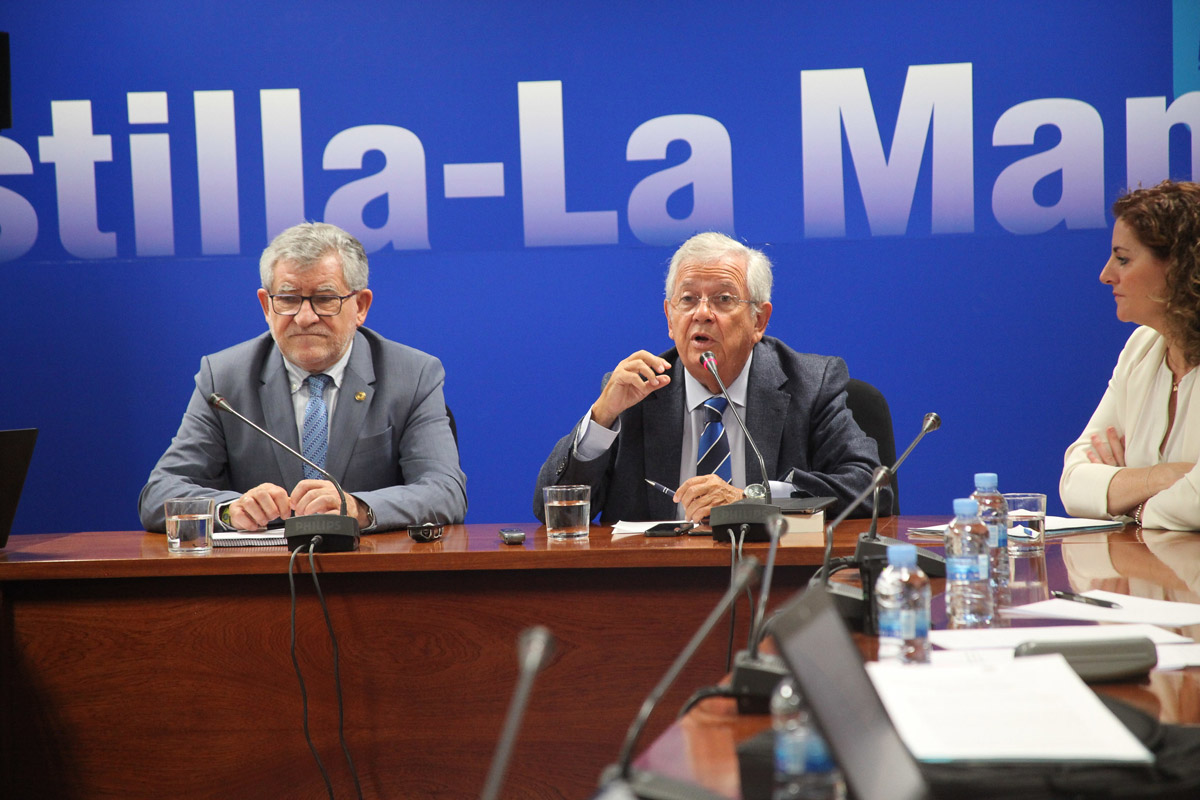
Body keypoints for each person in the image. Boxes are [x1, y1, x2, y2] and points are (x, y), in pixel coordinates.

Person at [532, 231, 886, 524]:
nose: (702, 313)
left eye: (723, 299)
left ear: (758, 322)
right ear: (670, 319)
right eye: (688, 299)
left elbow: (872, 488)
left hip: (775, 584)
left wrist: (756, 499)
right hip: (653, 592)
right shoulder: (637, 393)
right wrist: (602, 418)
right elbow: (553, 514)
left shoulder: (810, 383)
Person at [139, 222, 467, 532]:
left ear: (361, 306)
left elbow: (445, 492)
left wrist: (359, 508)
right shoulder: (224, 379)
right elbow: (159, 495)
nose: (305, 317)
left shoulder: (412, 376)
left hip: (371, 575)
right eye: (288, 299)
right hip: (260, 580)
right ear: (266, 306)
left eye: (325, 299)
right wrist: (230, 509)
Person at [1061, 180, 1200, 531]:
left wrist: (1131, 504)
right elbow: (1074, 482)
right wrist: (1159, 478)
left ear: (1181, 267)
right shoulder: (1142, 348)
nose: (1106, 275)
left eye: (1123, 259)